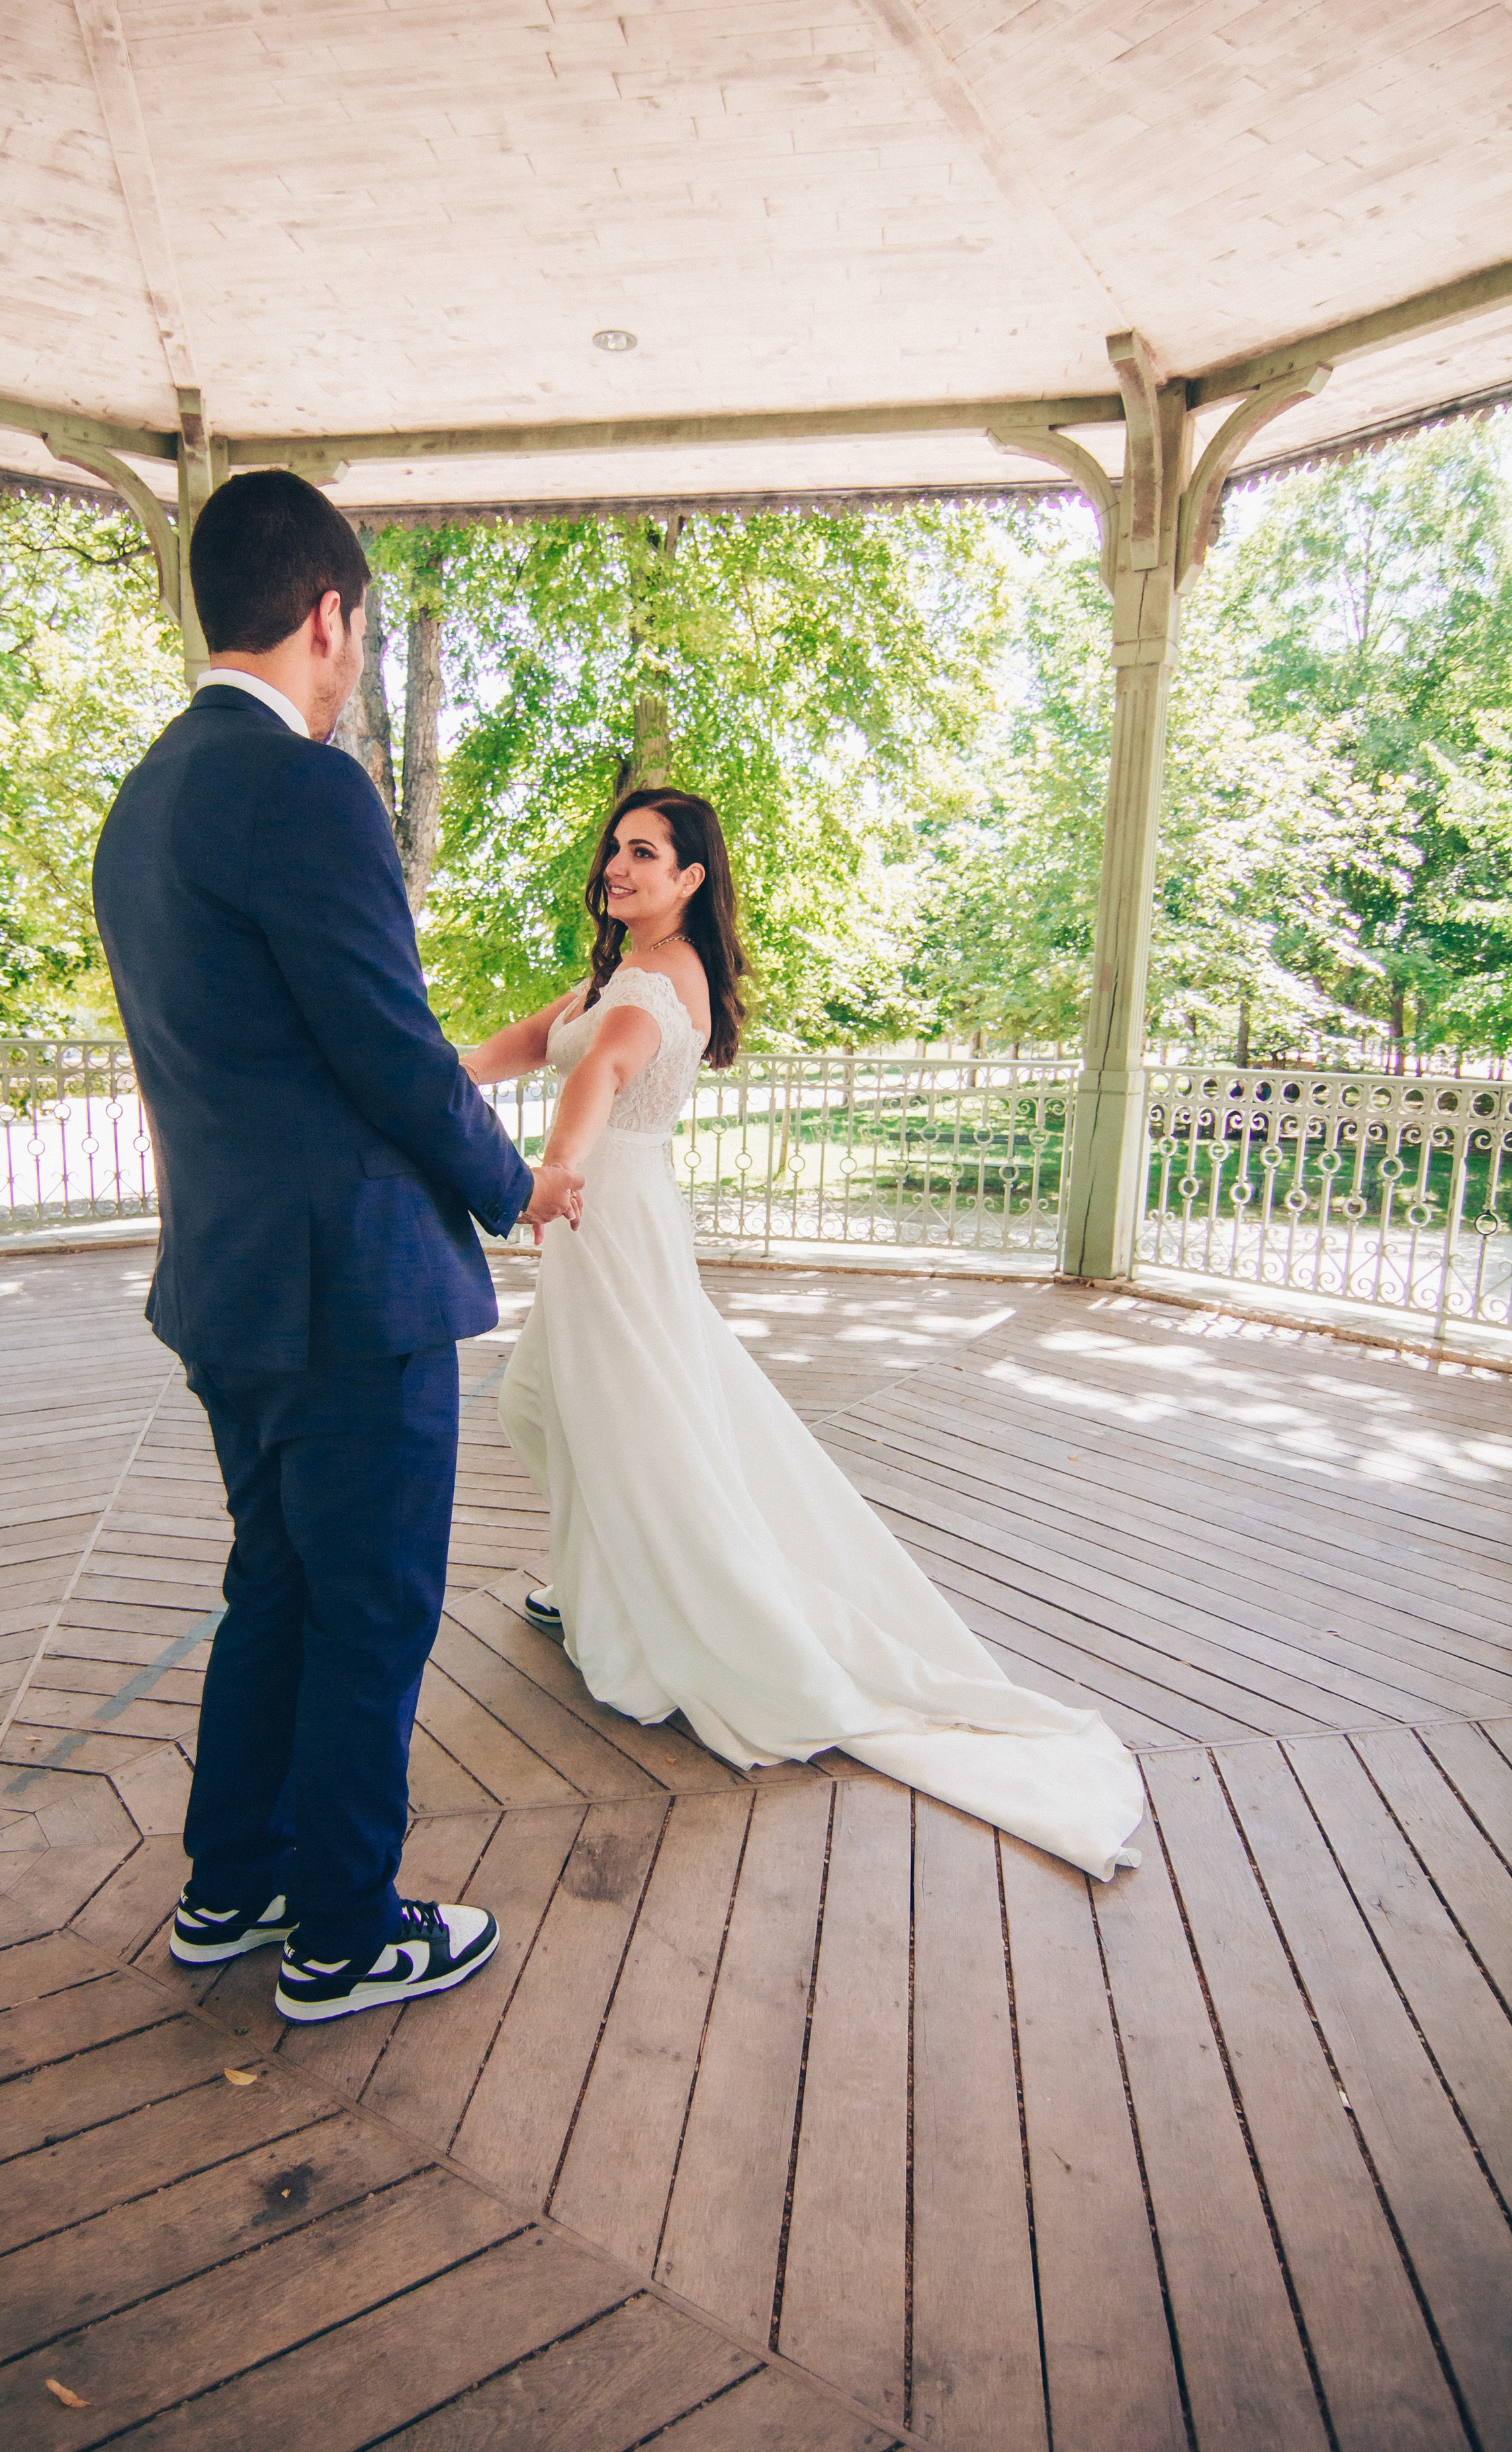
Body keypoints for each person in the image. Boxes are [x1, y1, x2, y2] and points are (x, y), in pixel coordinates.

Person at [92, 471, 582, 2025]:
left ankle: (229, 1887)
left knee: (280, 1591)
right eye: (359, 630)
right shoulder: (303, 785)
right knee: (371, 1608)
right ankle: (345, 1933)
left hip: (226, 1287)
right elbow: (388, 1047)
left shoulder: (145, 797)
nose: (355, 655)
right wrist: (510, 1187)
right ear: (327, 615)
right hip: (346, 1294)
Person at [462, 788, 1143, 1882]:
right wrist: (443, 1077)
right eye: (615, 849)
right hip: (607, 1220)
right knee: (549, 1405)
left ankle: (664, 1605)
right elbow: (546, 1036)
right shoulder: (616, 970)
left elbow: (599, 1071)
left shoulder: (654, 981)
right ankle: (598, 1576)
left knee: (624, 1423)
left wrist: (557, 1174)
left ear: (691, 879)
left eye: (647, 853)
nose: (621, 865)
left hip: (608, 1210)